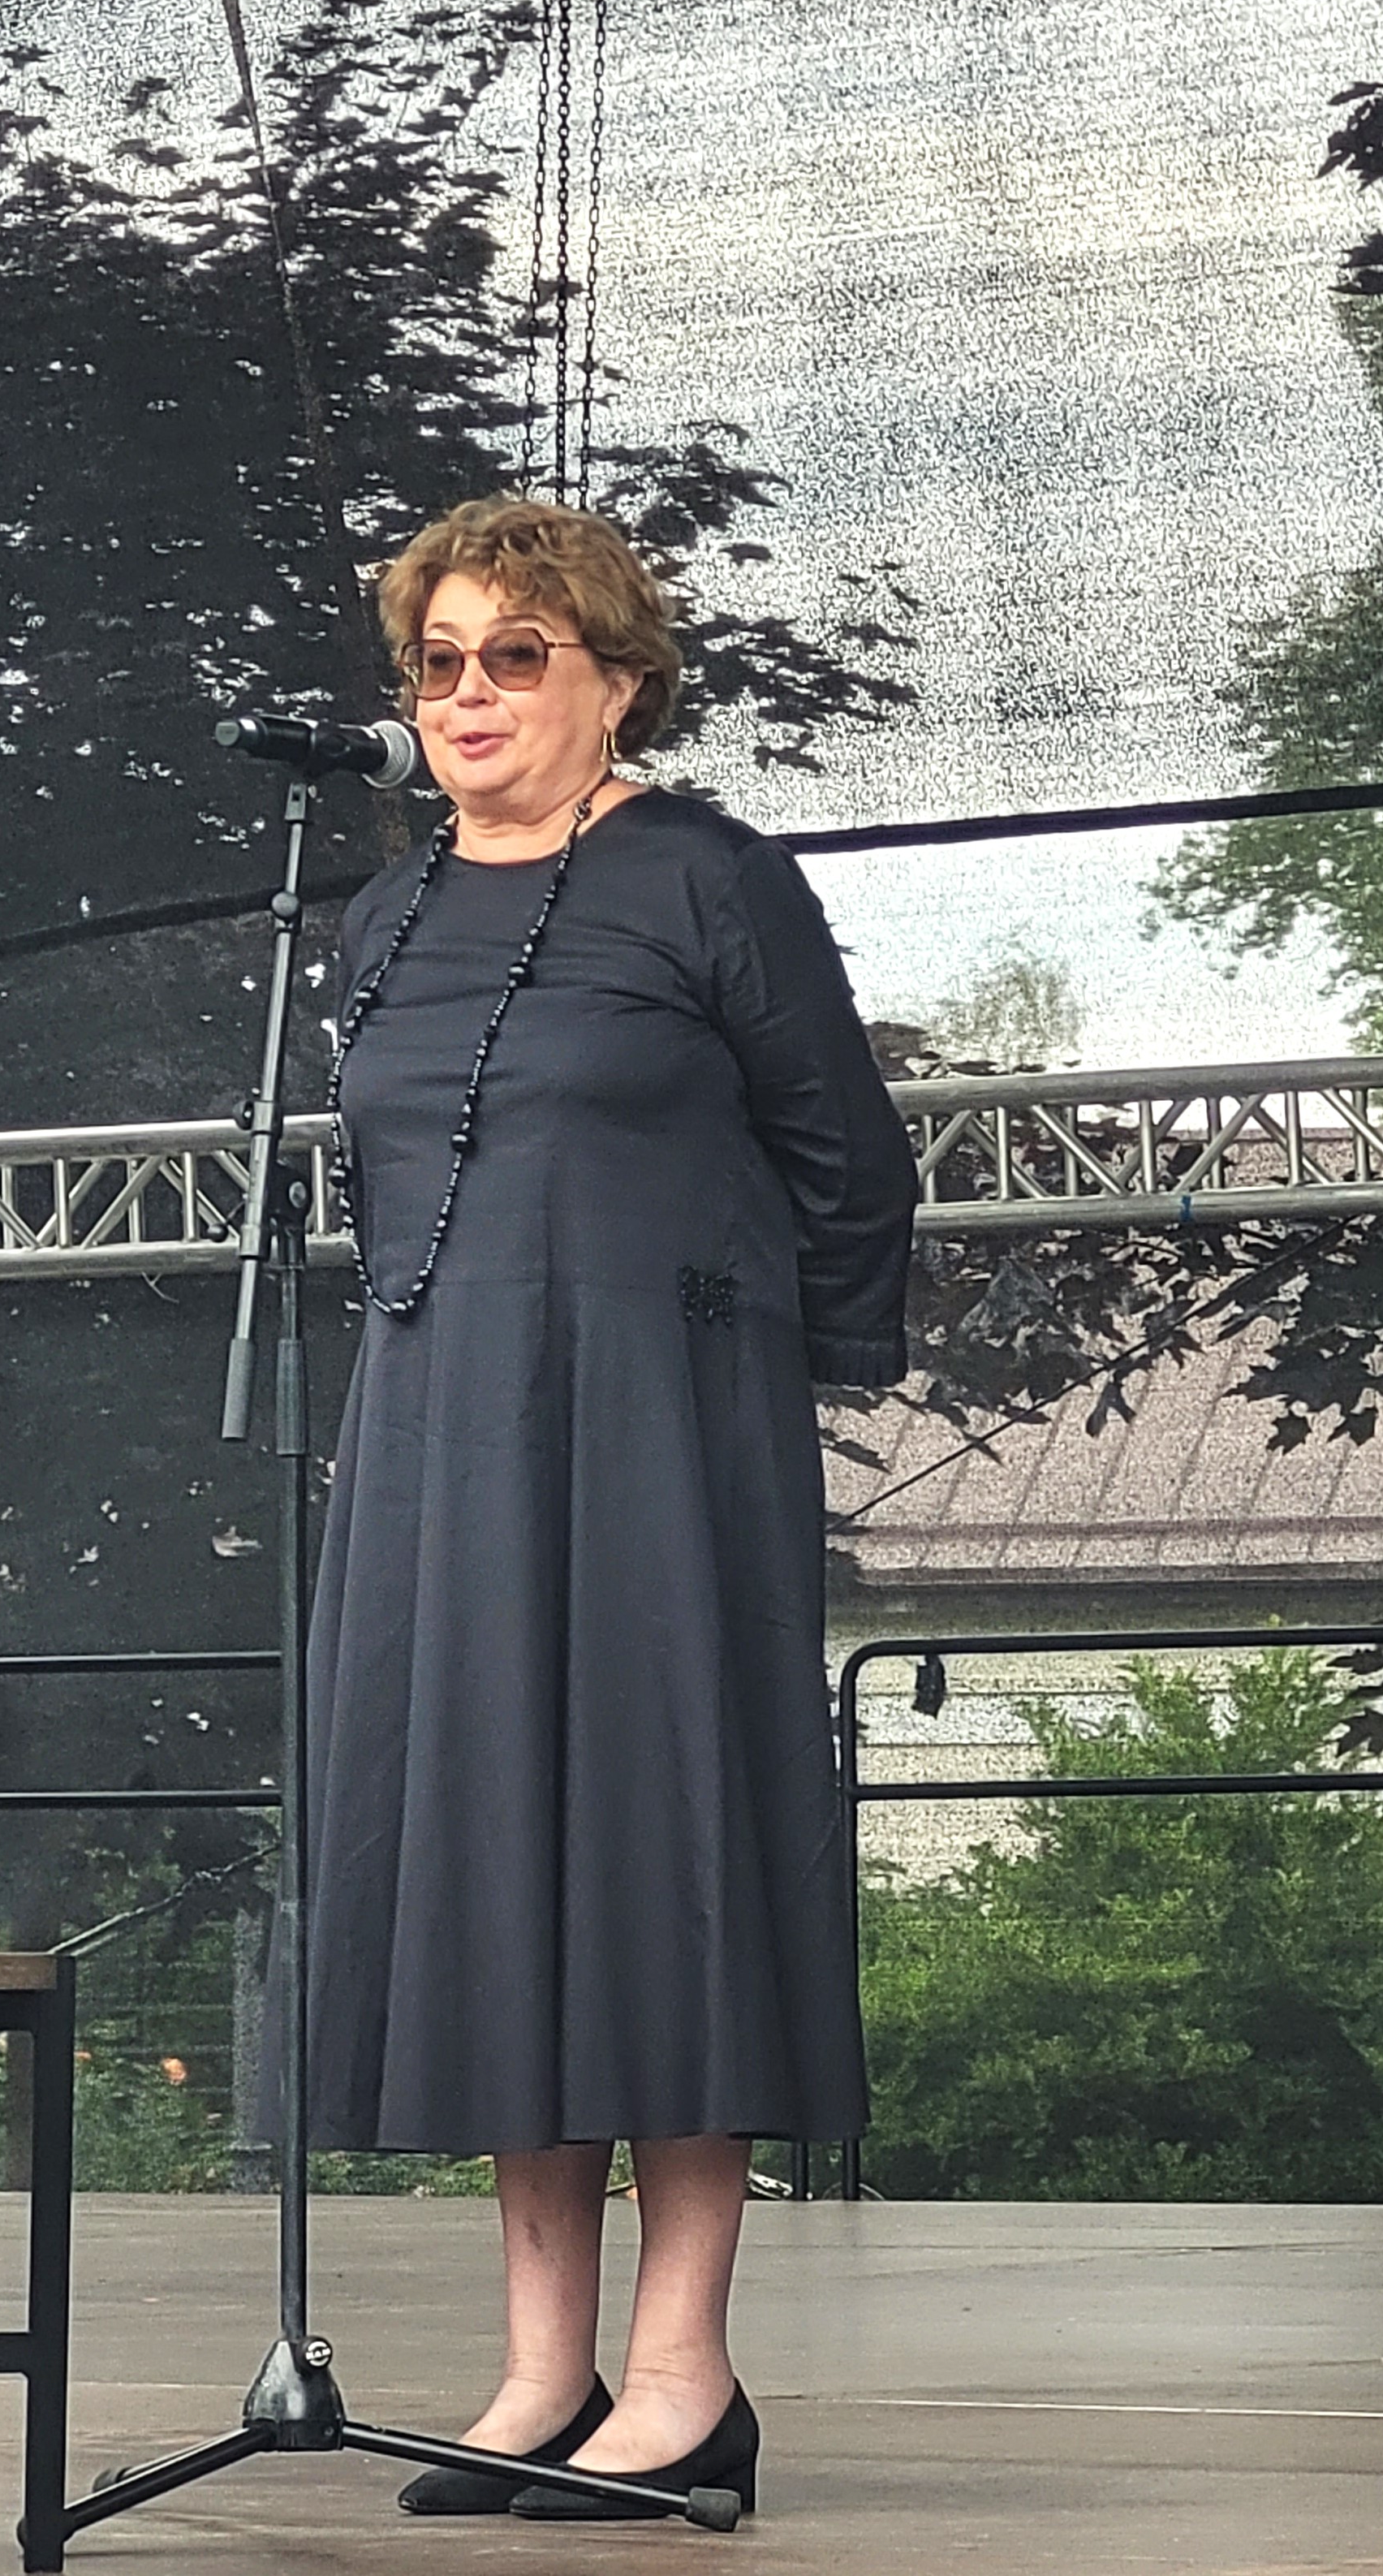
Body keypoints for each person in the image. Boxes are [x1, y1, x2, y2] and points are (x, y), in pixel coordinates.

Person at [304, 494, 917, 2522]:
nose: (467, 694)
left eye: (515, 654)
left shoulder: (708, 878)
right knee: (498, 1861)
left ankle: (682, 2372)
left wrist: (738, 1374)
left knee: (665, 1862)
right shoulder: (381, 918)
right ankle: (539, 2365)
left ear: (617, 678)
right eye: (438, 663)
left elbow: (848, 1165)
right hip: (443, 1440)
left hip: (665, 1437)